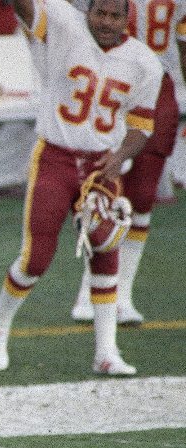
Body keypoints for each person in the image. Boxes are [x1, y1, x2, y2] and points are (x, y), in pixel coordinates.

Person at [0, 0, 162, 375]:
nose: (106, 22)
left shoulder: (144, 62)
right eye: (100, 13)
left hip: (102, 164)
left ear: (126, 18)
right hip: (56, 156)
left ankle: (106, 351)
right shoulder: (65, 25)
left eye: (114, 16)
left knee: (106, 250)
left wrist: (120, 157)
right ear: (88, 11)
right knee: (36, 257)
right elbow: (26, 9)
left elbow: (142, 127)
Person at [70, 0, 186, 326]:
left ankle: (124, 295)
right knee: (102, 188)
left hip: (157, 83)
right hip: (107, 77)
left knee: (143, 196)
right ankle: (88, 290)